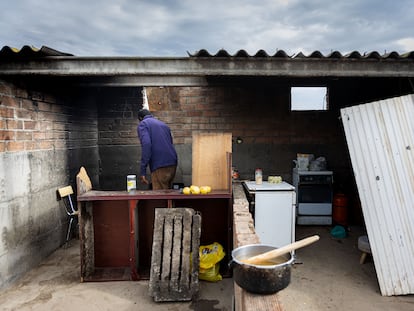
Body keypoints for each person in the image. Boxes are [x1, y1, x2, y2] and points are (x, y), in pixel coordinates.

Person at [137, 109, 178, 190]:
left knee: (159, 196)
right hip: (173, 162)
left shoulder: (143, 124)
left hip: (159, 164)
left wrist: (143, 171)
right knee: (168, 193)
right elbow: (170, 142)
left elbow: (146, 145)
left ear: (140, 118)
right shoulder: (164, 125)